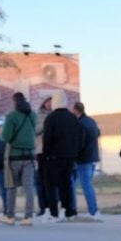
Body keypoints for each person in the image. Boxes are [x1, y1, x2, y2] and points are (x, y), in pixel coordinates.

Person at [40, 93, 82, 221]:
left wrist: (46, 155)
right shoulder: (72, 118)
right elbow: (79, 137)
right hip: (69, 157)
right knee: (66, 184)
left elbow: (47, 138)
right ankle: (68, 211)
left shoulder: (51, 118)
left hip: (54, 157)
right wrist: (75, 152)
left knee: (51, 185)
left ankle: (54, 213)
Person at [0, 92, 37, 223]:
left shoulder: (11, 116)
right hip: (30, 156)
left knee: (11, 186)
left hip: (14, 156)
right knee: (29, 187)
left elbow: (5, 137)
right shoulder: (33, 115)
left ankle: (10, 216)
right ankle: (29, 216)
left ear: (14, 102)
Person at [72, 102, 102, 220]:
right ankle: (93, 210)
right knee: (88, 184)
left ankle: (93, 211)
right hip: (93, 157)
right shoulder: (91, 121)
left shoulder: (80, 123)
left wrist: (75, 155)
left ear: (76, 110)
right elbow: (98, 134)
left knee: (86, 185)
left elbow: (80, 143)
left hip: (83, 159)